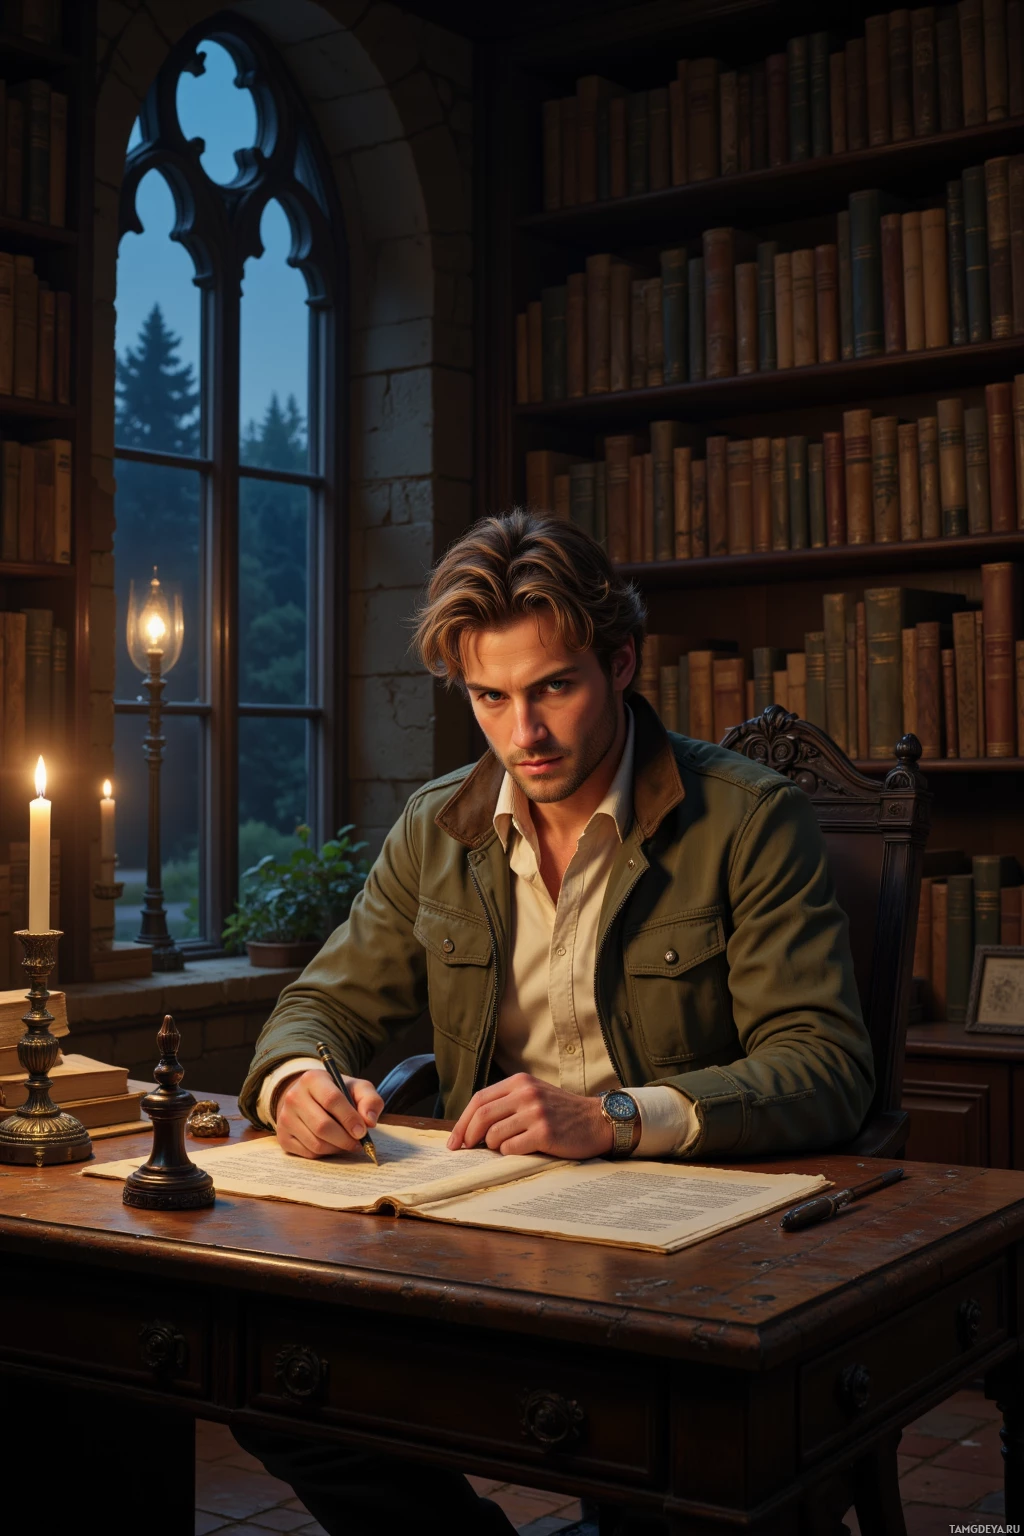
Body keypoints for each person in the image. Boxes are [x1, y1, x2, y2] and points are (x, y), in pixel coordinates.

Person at [233, 510, 874, 1535]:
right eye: (489, 698)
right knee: (275, 1385)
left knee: (663, 1482)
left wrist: (613, 1116)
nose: (521, 734)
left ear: (621, 662)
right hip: (482, 1232)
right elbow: (319, 1005)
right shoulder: (437, 828)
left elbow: (825, 1065)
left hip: (686, 1248)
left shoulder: (750, 821)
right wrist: (297, 1081)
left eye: (552, 689)